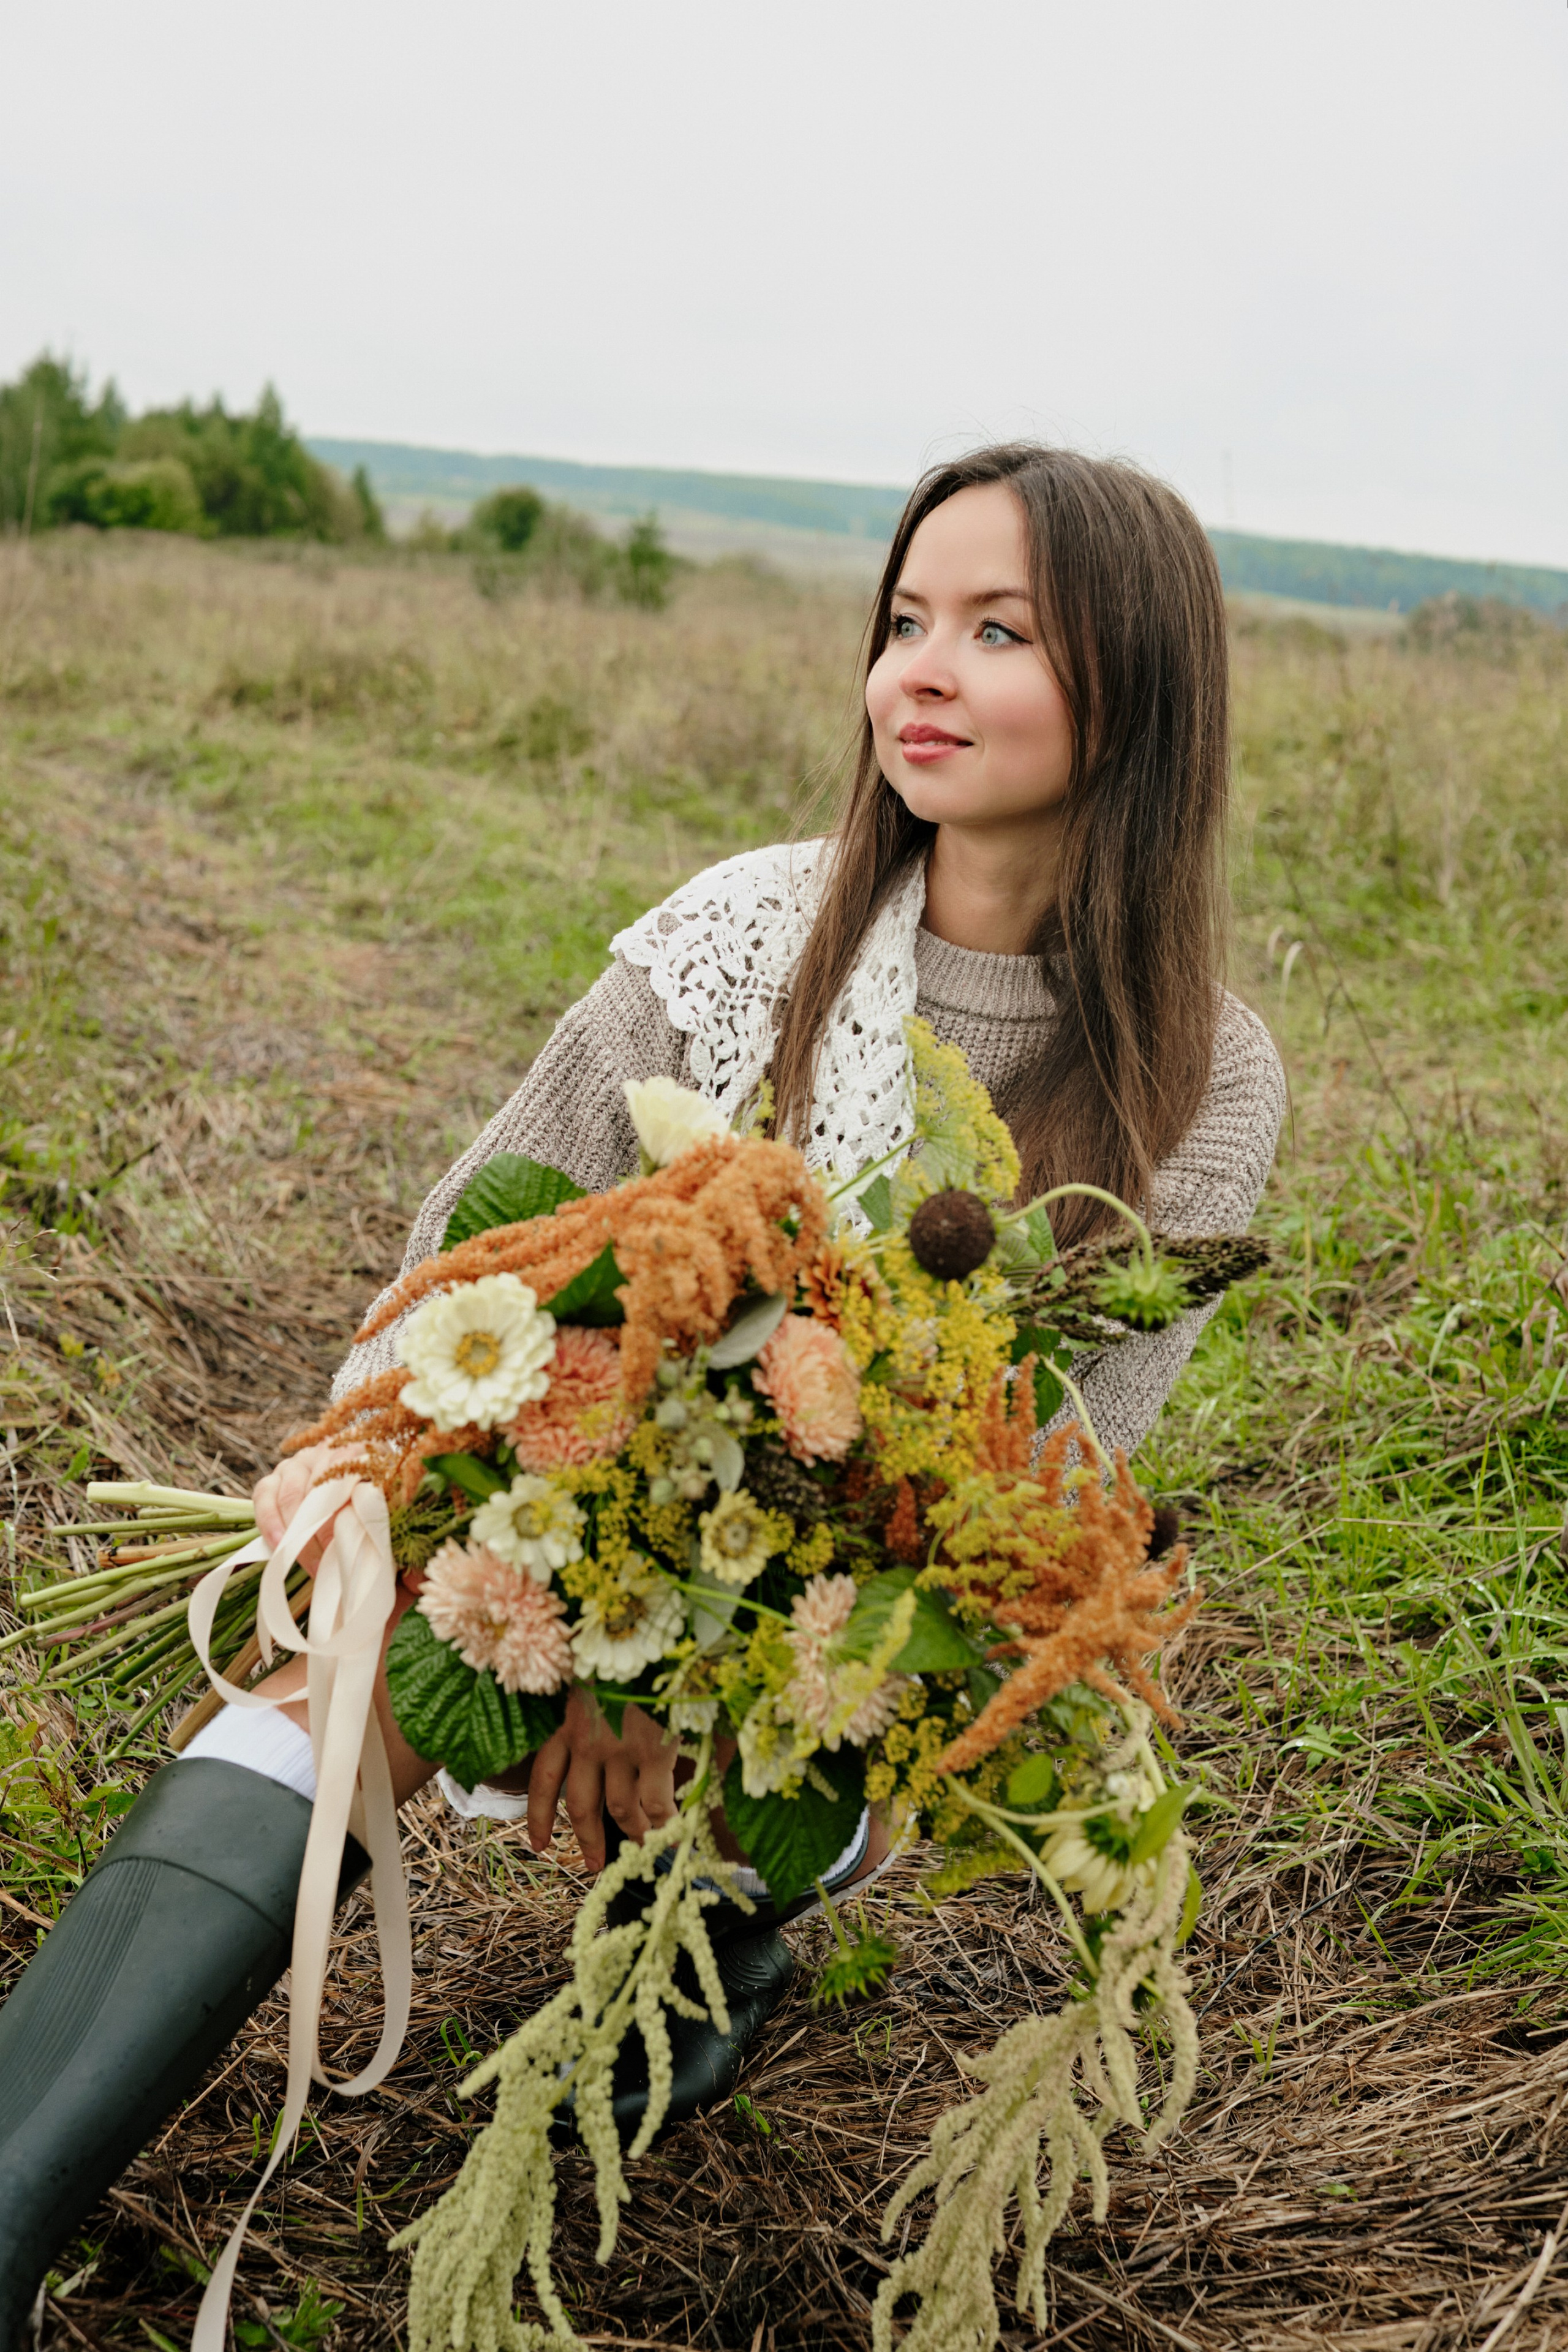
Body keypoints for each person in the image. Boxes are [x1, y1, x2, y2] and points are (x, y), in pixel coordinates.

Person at [0, 443, 1286, 2333]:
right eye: (906, 621)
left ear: (1141, 689)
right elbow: (471, 1253)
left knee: (741, 1800)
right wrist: (402, 1488)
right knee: (350, 1651)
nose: (919, 671)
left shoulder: (1201, 1073)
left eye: (997, 631)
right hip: (551, 1478)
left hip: (849, 1633)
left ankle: (713, 1945)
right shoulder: (751, 931)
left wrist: (702, 1668)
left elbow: (1029, 1489)